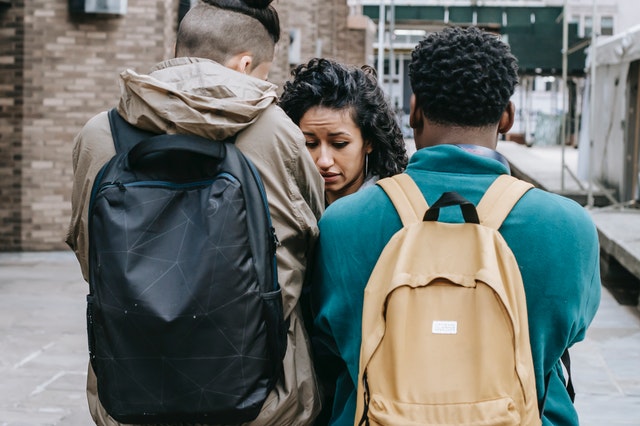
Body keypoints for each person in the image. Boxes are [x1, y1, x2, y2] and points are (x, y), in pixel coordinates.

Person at [310, 26, 601, 425]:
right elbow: (567, 335)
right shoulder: (570, 229)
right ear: (506, 117)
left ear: (413, 110)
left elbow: (327, 343)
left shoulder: (341, 224)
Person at [65, 0, 324, 425]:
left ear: (176, 48)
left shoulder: (99, 135)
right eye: (263, 73)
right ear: (244, 64)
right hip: (264, 399)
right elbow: (311, 242)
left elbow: (87, 251)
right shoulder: (278, 133)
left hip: (132, 393)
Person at [279, 58, 408, 205]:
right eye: (310, 144)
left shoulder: (393, 208)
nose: (324, 161)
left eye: (339, 144)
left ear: (368, 141)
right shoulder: (285, 206)